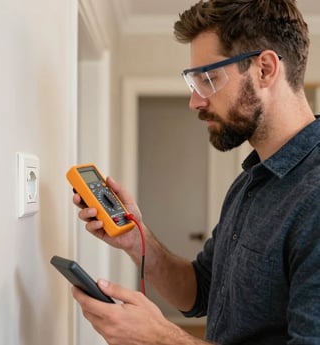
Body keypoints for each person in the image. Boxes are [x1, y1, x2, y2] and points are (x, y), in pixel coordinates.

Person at [72, 0, 320, 344]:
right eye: (194, 82)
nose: (196, 101)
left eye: (209, 78)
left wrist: (162, 338)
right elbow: (200, 290)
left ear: (265, 69)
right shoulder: (250, 182)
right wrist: (138, 241)